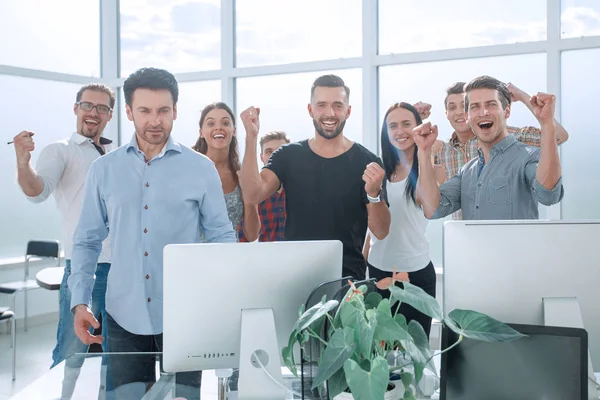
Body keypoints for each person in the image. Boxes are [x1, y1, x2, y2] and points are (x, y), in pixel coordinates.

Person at [68, 67, 237, 399]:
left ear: (175, 111)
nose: (155, 120)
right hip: (122, 314)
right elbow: (87, 241)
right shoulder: (103, 170)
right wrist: (79, 302)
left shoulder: (201, 168)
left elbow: (221, 237)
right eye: (144, 110)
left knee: (185, 397)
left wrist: (222, 298)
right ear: (129, 112)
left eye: (163, 110)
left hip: (186, 313)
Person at [12, 83, 115, 399]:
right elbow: (37, 190)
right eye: (87, 105)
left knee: (117, 354)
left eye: (101, 108)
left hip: (124, 269)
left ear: (110, 115)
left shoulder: (116, 154)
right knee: (71, 351)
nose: (93, 113)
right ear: (75, 108)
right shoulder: (61, 150)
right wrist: (22, 160)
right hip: (85, 268)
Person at [239, 74, 390, 280]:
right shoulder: (288, 156)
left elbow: (381, 232)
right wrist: (251, 137)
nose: (330, 113)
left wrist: (374, 194)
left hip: (348, 282)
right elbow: (252, 195)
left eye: (338, 105)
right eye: (322, 105)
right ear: (310, 110)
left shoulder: (368, 162)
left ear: (348, 111)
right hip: (296, 277)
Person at [415, 75, 564, 220]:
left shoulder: (527, 156)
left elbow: (549, 195)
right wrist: (424, 151)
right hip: (468, 245)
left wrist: (547, 123)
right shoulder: (467, 171)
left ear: (507, 110)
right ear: (468, 116)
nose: (483, 112)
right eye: (475, 107)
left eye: (491, 104)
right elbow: (432, 210)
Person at [363, 102, 436, 337]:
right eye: (392, 126)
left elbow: (430, 205)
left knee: (413, 353)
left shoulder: (431, 170)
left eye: (407, 124)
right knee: (380, 356)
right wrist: (362, 266)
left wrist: (423, 149)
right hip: (377, 272)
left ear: (418, 127)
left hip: (416, 275)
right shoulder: (380, 172)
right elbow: (371, 227)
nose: (399, 131)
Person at [192, 102, 260, 242]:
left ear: (233, 131)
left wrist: (247, 195)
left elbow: (252, 235)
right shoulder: (190, 170)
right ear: (201, 133)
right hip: (194, 258)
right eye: (211, 124)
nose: (218, 127)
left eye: (225, 123)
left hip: (228, 258)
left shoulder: (241, 174)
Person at [238, 130, 290, 242]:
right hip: (264, 256)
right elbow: (245, 237)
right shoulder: (253, 192)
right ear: (261, 157)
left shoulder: (302, 188)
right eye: (269, 152)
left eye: (280, 151)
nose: (275, 156)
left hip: (300, 255)